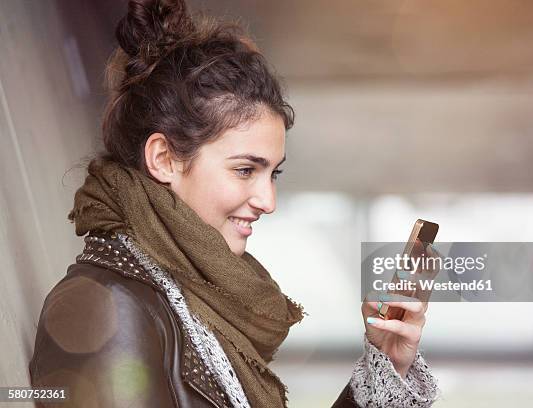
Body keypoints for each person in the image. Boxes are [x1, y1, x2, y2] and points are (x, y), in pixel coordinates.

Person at [29, 0, 440, 406]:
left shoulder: (189, 301)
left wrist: (386, 367)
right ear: (164, 159)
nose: (268, 201)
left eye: (272, 173)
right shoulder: (104, 308)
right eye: (245, 170)